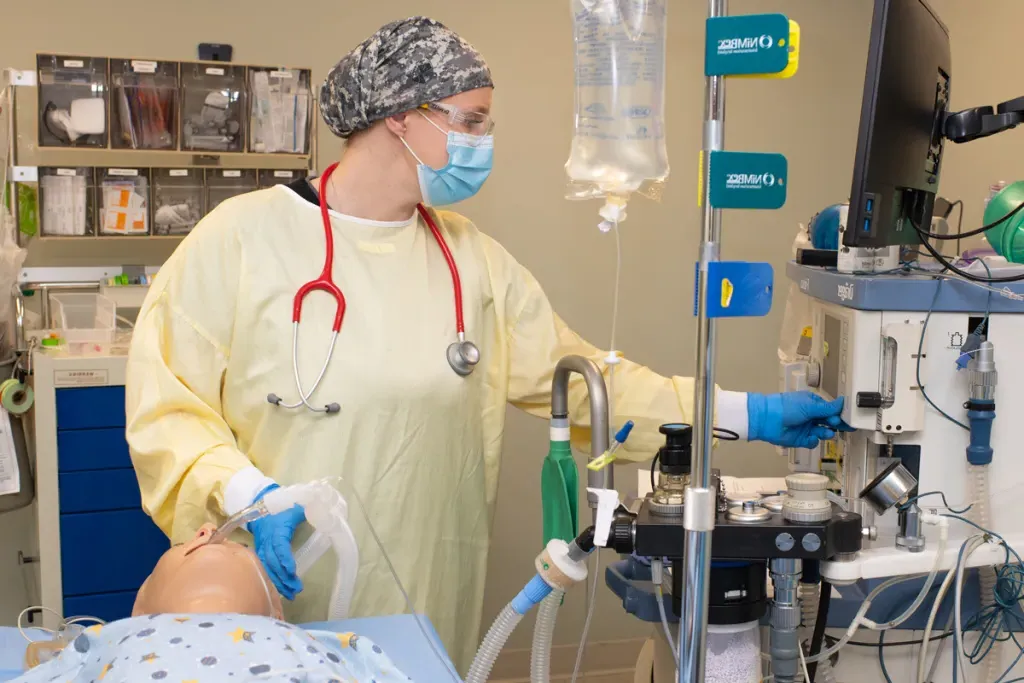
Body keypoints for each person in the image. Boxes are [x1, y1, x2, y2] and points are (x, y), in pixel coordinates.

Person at [125, 16, 846, 671]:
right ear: (401, 118)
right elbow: (166, 409)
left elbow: (591, 384)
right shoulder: (239, 241)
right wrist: (251, 491)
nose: (483, 143)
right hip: (273, 608)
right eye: (470, 122)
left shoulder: (471, 262)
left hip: (427, 608)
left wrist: (746, 412)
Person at [14, 524, 412, 683]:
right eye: (187, 544)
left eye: (240, 548)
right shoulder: (113, 638)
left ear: (277, 611)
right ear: (140, 609)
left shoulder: (315, 643)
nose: (210, 534)